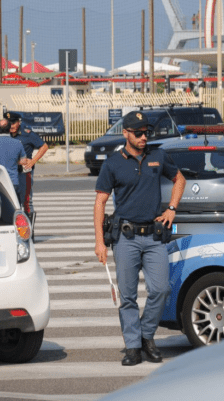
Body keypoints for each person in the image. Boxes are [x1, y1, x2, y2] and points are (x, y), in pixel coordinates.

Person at [93, 111, 186, 366]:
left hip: (154, 237)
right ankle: (133, 346)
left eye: (147, 132)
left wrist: (172, 208)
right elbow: (100, 202)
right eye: (139, 133)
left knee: (161, 289)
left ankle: (146, 336)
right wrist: (99, 242)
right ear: (126, 133)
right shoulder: (113, 163)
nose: (144, 137)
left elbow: (179, 180)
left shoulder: (158, 156)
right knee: (128, 296)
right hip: (126, 238)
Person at [5, 111, 49, 221]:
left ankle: (30, 231)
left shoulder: (27, 133)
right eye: (9, 123)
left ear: (19, 122)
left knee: (27, 201)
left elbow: (44, 146)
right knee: (12, 201)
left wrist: (33, 161)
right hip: (10, 172)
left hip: (24, 173)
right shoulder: (5, 134)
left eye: (14, 122)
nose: (11, 126)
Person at [0, 119, 28, 200]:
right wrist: (15, 161)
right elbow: (24, 161)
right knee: (13, 206)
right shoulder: (18, 143)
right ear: (9, 128)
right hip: (13, 181)